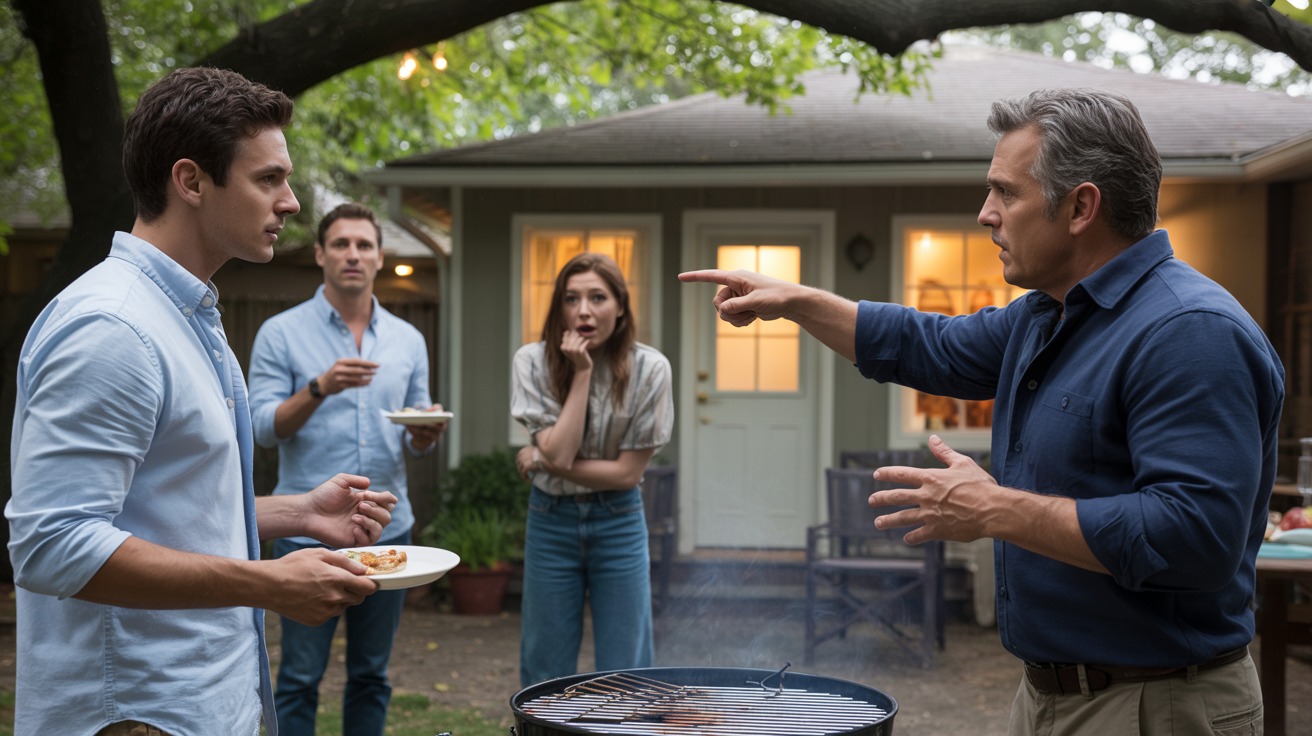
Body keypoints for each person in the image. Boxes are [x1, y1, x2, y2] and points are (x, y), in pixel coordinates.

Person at [680, 88, 1280, 735]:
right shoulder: (1049, 315)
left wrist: (995, 509)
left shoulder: (1187, 332)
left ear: (1081, 206)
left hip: (1155, 705)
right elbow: (927, 347)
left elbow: (1196, 538)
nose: (985, 214)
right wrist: (795, 300)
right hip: (1052, 696)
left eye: (1005, 193)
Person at [6, 67, 400, 736]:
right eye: (269, 179)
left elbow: (165, 512)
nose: (292, 202)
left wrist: (293, 512)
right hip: (136, 715)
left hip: (203, 705)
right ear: (190, 181)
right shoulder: (114, 328)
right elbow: (52, 543)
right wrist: (268, 583)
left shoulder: (185, 313)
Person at [248, 201, 444, 735]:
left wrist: (424, 433)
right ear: (320, 254)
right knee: (299, 676)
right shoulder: (281, 333)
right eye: (341, 244)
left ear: (380, 257)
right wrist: (320, 387)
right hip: (304, 534)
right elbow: (261, 427)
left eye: (363, 245)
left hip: (386, 532)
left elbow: (416, 431)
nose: (352, 254)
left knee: (371, 676)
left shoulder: (409, 340)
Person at [510, 253, 674, 686]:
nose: (583, 310)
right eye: (572, 298)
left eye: (597, 297)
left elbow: (623, 475)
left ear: (620, 306)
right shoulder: (531, 362)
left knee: (629, 671)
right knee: (544, 667)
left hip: (618, 522)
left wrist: (541, 458)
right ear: (559, 308)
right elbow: (564, 455)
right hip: (551, 522)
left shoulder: (651, 369)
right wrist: (581, 374)